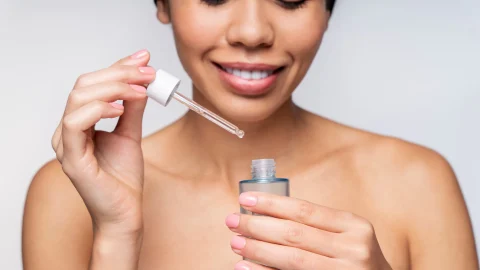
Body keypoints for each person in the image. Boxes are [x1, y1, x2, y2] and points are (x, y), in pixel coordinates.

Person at [22, 0, 478, 269]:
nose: (253, 32)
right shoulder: (70, 193)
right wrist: (117, 237)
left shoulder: (417, 182)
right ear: (162, 4)